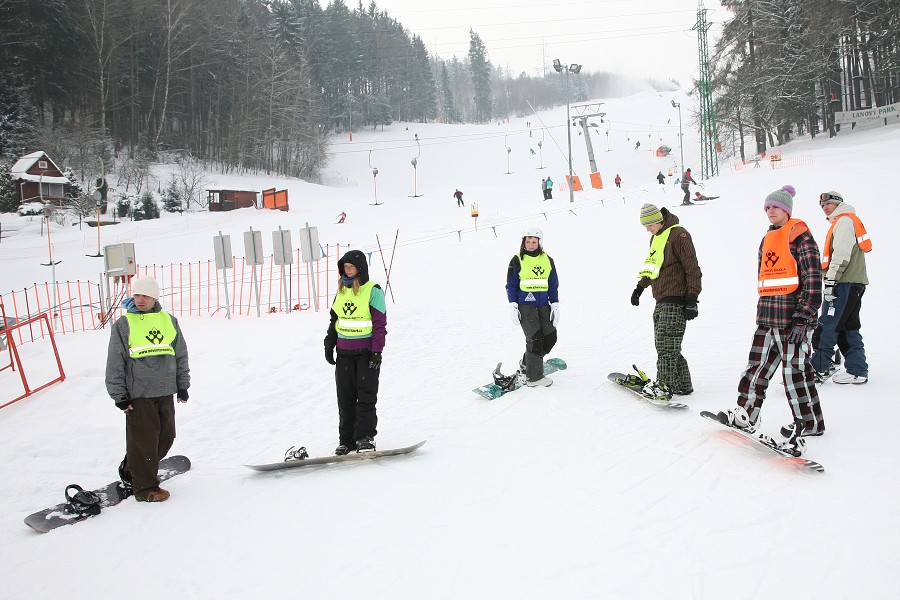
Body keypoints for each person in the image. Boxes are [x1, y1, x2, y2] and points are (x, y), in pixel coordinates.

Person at [720, 185, 824, 450]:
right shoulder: (767, 240)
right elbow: (765, 279)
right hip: (768, 318)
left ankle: (808, 422)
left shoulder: (801, 238)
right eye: (767, 207)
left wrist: (805, 316)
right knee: (755, 369)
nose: (770, 211)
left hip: (794, 320)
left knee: (795, 373)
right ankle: (747, 413)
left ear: (787, 210)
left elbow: (813, 279)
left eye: (775, 207)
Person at [106, 276, 190, 503]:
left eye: (145, 296)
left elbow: (180, 354)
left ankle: (130, 468)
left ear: (155, 297)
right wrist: (119, 395)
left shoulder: (168, 321)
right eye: (137, 295)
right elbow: (115, 361)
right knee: (145, 441)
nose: (140, 300)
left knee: (166, 437)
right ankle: (145, 489)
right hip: (138, 394)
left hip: (165, 391)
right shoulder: (123, 325)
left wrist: (182, 385)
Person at [631, 204, 702, 396]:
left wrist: (692, 299)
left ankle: (664, 386)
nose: (647, 229)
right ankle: (682, 384)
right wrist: (640, 287)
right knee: (666, 345)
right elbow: (653, 266)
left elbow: (692, 268)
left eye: (648, 225)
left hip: (676, 299)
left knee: (666, 346)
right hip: (661, 299)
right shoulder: (657, 238)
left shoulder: (679, 235)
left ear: (657, 220)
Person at [324, 250, 387, 455]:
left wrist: (377, 352)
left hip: (366, 354)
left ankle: (364, 438)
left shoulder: (373, 290)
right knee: (345, 398)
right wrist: (329, 343)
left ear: (360, 268)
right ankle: (347, 440)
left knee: (366, 397)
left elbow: (379, 325)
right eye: (344, 267)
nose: (346, 270)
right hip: (344, 354)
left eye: (350, 266)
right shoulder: (341, 292)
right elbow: (335, 321)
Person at [810, 191, 871, 384]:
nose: (825, 207)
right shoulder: (848, 221)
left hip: (843, 283)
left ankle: (818, 369)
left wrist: (831, 281)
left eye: (829, 203)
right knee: (848, 326)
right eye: (822, 205)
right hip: (853, 283)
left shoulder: (844, 222)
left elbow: (842, 254)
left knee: (829, 325)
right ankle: (857, 370)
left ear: (839, 204)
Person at [506, 228, 560, 387]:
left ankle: (527, 364)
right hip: (525, 306)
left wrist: (555, 305)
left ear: (539, 243)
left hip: (544, 305)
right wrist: (513, 306)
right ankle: (534, 377)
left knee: (550, 337)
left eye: (534, 241)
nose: (530, 244)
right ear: (523, 242)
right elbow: (511, 285)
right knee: (535, 339)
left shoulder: (548, 260)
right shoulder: (517, 260)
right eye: (527, 241)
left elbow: (553, 284)